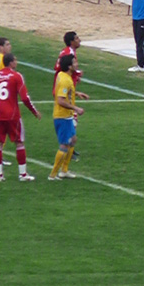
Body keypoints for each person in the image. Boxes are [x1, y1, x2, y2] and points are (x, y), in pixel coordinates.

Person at [0, 53, 41, 182]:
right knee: (19, 143)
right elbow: (25, 98)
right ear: (11, 62)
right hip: (13, 115)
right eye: (15, 60)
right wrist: (34, 111)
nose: (16, 62)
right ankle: (23, 174)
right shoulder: (17, 76)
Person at [50, 54, 88, 181]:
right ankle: (53, 175)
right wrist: (76, 108)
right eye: (74, 62)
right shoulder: (65, 80)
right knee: (64, 145)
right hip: (62, 116)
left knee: (73, 140)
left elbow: (63, 92)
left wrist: (76, 93)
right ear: (69, 66)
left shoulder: (62, 75)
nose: (77, 64)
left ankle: (64, 171)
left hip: (66, 116)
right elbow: (60, 100)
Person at [53, 31, 83, 161]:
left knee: (72, 120)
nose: (79, 40)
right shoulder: (68, 53)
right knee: (71, 120)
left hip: (67, 90)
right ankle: (67, 150)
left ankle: (69, 149)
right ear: (71, 41)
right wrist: (75, 73)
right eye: (77, 38)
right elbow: (59, 67)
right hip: (64, 92)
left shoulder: (67, 51)